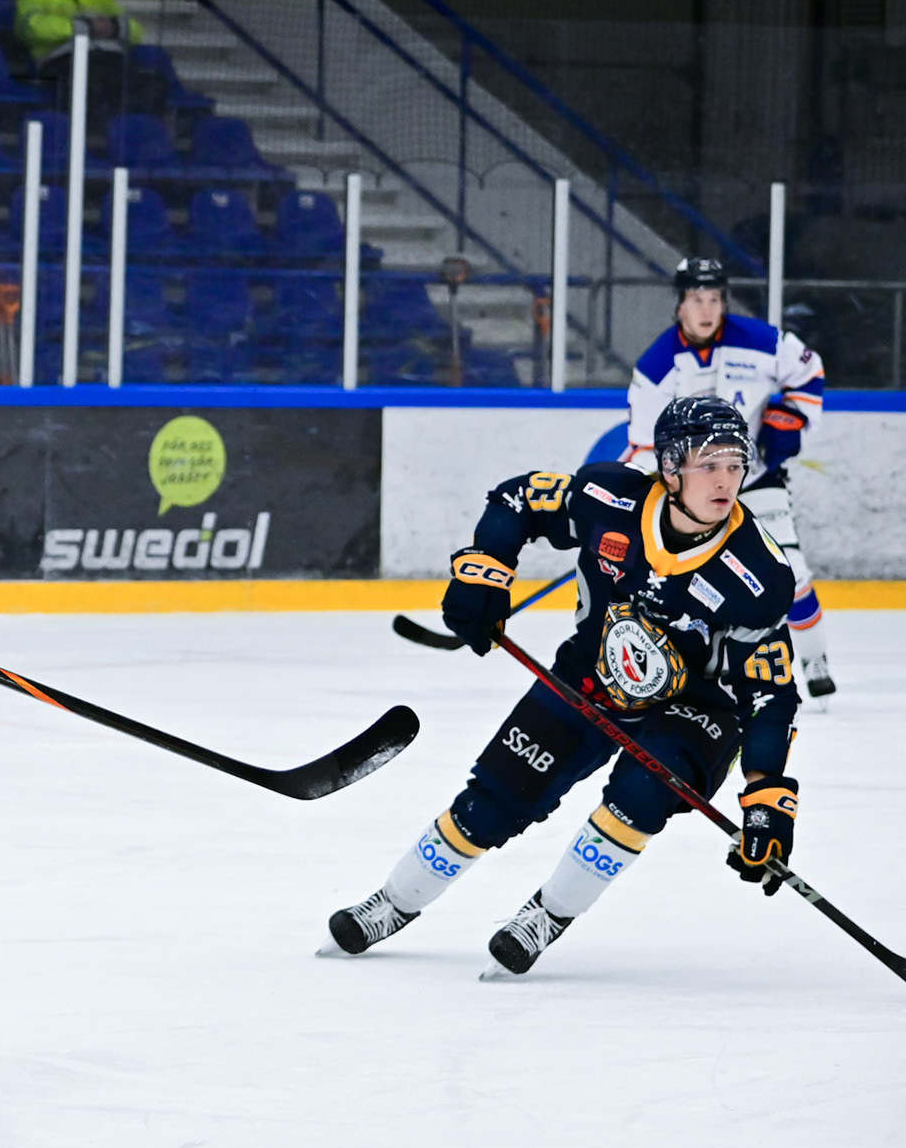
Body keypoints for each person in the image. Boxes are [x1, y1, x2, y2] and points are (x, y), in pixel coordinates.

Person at [324, 397, 802, 976]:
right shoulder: (608, 497)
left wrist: (767, 793)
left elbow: (769, 694)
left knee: (640, 792)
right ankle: (393, 902)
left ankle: (547, 916)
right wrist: (484, 570)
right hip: (590, 673)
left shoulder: (761, 574)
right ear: (671, 467)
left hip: (696, 708)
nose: (725, 480)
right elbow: (518, 499)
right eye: (708, 465)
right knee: (495, 797)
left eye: (734, 465)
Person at [624, 257, 832, 697]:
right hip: (692, 497)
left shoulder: (761, 341)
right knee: (689, 583)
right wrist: (646, 493)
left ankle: (814, 659)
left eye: (715, 299)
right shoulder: (657, 365)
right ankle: (692, 670)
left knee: (791, 572)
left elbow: (809, 371)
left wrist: (790, 416)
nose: (707, 310)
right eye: (697, 299)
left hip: (754, 479)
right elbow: (643, 444)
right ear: (680, 304)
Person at [16, 0, 149, 121]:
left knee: (153, 83)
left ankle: (135, 132)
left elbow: (137, 31)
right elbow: (32, 28)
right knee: (95, 82)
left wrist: (114, 27)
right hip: (61, 60)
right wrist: (85, 27)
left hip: (109, 59)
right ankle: (95, 132)